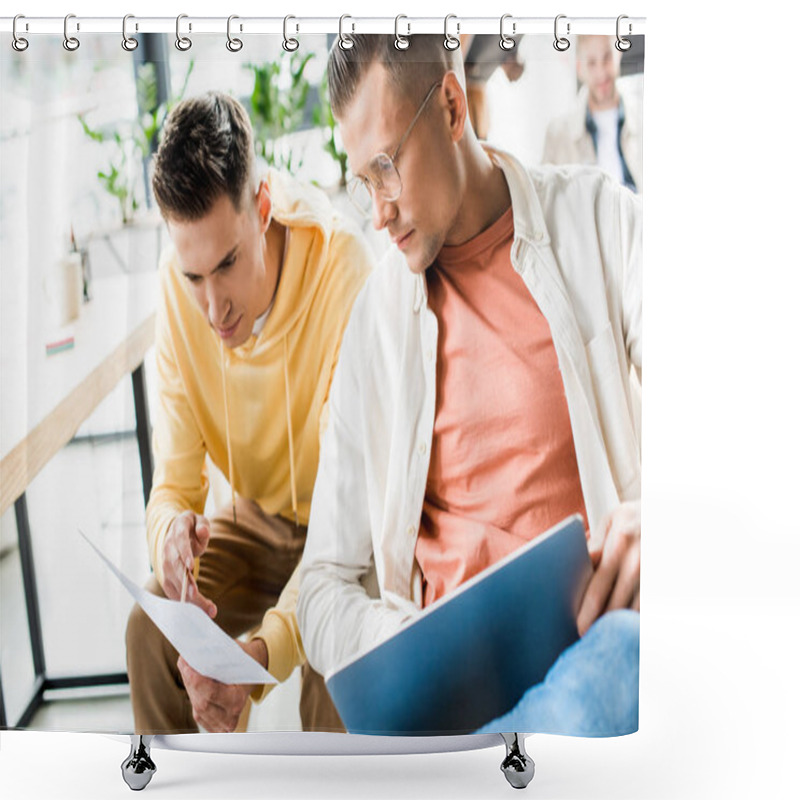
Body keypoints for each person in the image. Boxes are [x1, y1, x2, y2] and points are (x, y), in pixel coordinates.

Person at [296, 35, 642, 735]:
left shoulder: (599, 220)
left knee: (620, 660)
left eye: (388, 167)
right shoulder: (376, 325)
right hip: (455, 698)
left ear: (451, 107)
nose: (379, 211)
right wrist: (401, 641)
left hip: (600, 651)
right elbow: (320, 589)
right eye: (364, 180)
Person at [125, 91, 372, 734]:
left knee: (335, 651)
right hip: (260, 520)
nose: (213, 309)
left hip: (351, 532)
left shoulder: (343, 273)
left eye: (227, 264)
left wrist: (260, 655)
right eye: (193, 276)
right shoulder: (177, 296)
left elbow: (348, 524)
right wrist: (170, 540)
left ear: (262, 208)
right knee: (149, 628)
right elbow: (173, 488)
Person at [542, 35, 642, 193]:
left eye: (607, 57)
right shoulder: (558, 135)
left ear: (619, 53)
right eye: (591, 63)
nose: (601, 72)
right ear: (579, 68)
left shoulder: (643, 114)